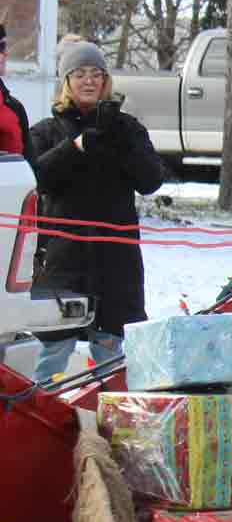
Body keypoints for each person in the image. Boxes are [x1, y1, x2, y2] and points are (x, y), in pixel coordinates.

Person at [28, 39, 165, 383]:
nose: (89, 81)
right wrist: (75, 146)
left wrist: (119, 142)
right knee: (53, 354)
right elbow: (37, 178)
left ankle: (111, 426)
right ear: (66, 81)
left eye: (96, 75)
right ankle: (43, 423)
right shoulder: (46, 131)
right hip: (63, 260)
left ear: (106, 81)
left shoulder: (127, 128)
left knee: (111, 356)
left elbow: (151, 180)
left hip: (115, 262)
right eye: (79, 74)